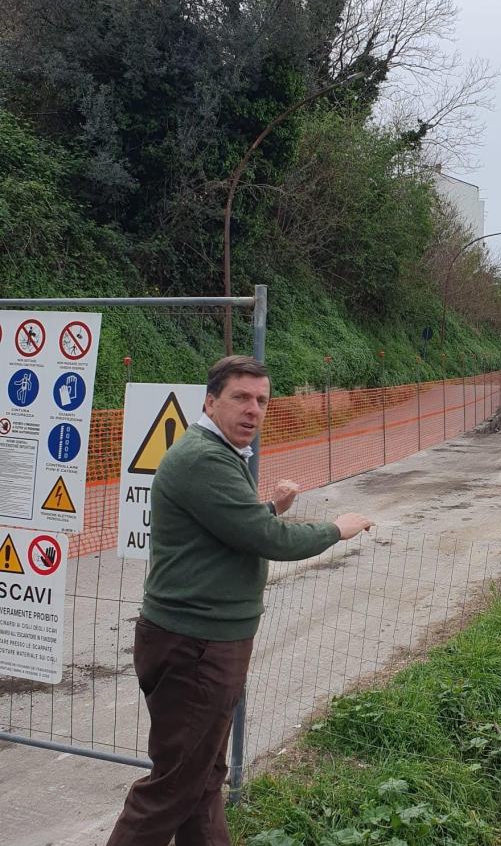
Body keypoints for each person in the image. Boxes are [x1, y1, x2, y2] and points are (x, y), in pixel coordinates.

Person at [107, 355, 372, 846]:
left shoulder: (220, 455)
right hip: (196, 648)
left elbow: (227, 526)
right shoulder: (204, 458)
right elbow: (267, 538)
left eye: (262, 400)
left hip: (203, 642)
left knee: (203, 779)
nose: (254, 410)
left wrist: (270, 505)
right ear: (211, 401)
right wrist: (337, 528)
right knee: (171, 789)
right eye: (241, 398)